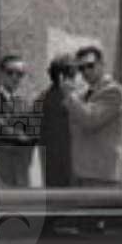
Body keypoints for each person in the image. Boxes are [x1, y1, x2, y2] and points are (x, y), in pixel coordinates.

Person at [65, 42, 122, 187]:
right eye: (81, 68)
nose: (85, 72)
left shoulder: (114, 92)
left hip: (102, 174)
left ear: (102, 64)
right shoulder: (82, 94)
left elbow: (91, 120)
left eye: (90, 65)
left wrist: (71, 97)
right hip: (82, 171)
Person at [0, 53, 37, 186]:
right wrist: (21, 135)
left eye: (20, 74)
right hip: (0, 169)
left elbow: (32, 130)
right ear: (1, 74)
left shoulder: (22, 103)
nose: (15, 77)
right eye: (10, 72)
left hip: (19, 169)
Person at [36, 56, 78, 189]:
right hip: (65, 162)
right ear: (61, 78)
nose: (75, 81)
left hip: (48, 161)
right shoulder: (65, 101)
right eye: (72, 77)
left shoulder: (42, 98)